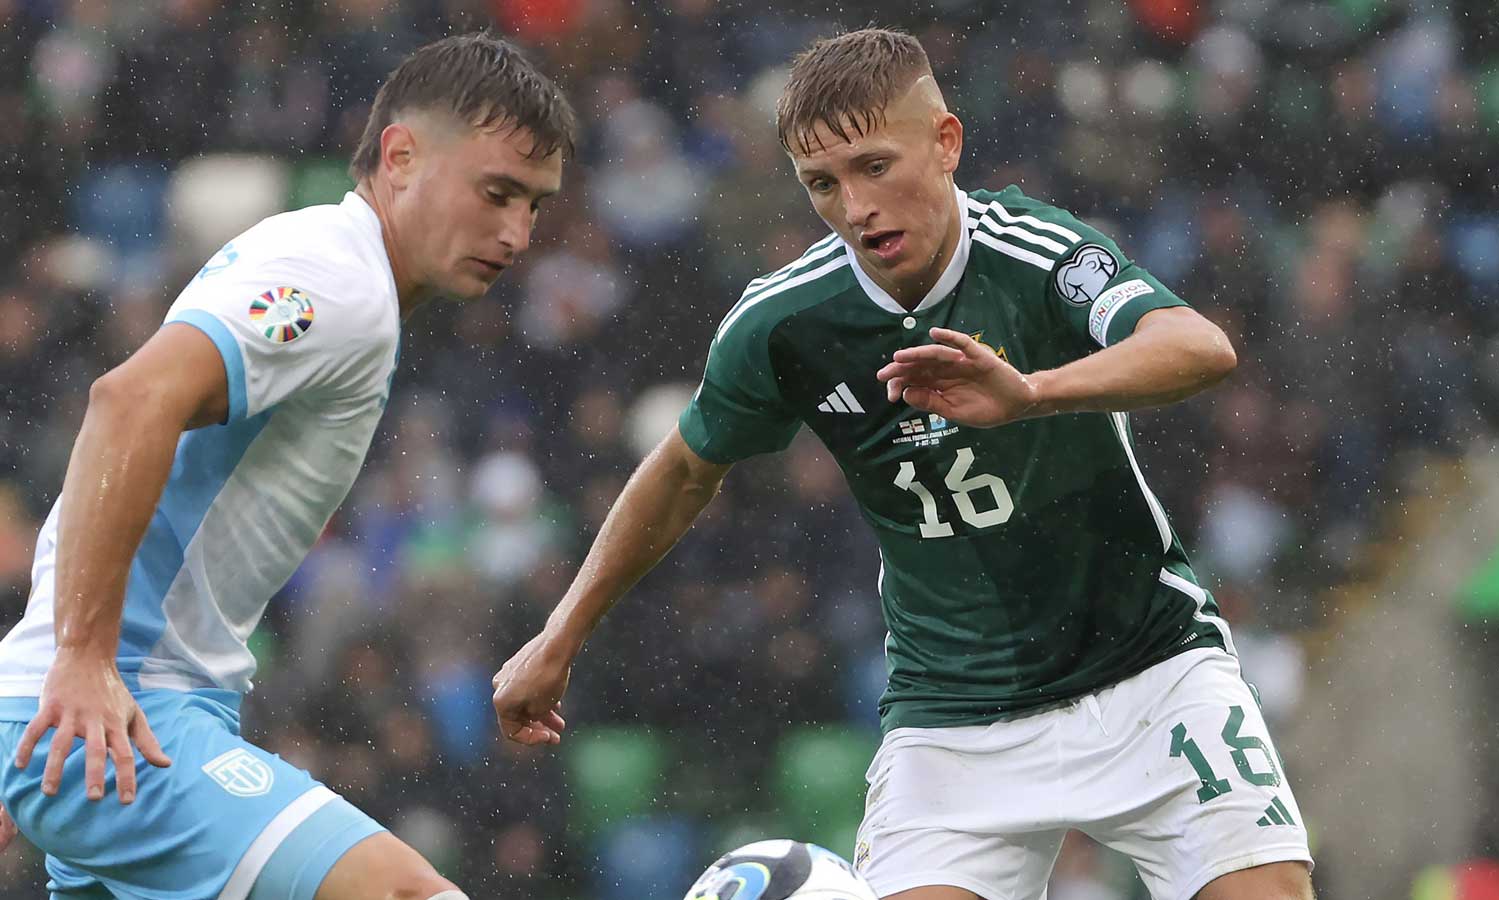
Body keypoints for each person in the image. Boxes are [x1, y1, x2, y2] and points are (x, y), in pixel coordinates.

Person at [493, 27, 1313, 900]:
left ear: (946, 141)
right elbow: (684, 468)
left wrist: (1029, 394)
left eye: (873, 166)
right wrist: (561, 633)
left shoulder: (1032, 251)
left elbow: (1197, 346)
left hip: (1150, 672)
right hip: (955, 718)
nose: (854, 207)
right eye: (822, 184)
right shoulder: (785, 322)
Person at [0, 33, 574, 899]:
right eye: (497, 193)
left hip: (137, 714)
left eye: (535, 205)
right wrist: (77, 659)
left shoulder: (341, 272)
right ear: (400, 155)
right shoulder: (336, 277)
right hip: (127, 712)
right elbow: (127, 402)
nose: (517, 232)